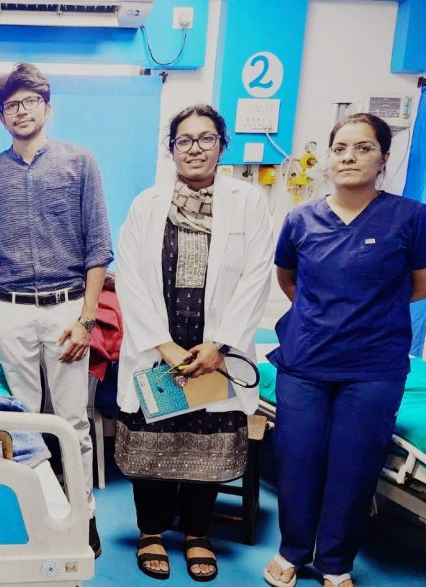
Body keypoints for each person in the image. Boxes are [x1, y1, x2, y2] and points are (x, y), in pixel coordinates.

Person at [263, 113, 426, 587]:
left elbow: (423, 285)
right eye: (340, 148)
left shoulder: (412, 217)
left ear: (383, 159)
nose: (349, 157)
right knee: (297, 461)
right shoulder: (300, 219)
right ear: (328, 157)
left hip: (373, 367)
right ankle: (291, 550)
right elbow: (288, 280)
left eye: (363, 148)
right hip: (306, 362)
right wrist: (326, 315)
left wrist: (367, 310)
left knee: (355, 467)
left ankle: (336, 562)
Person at [114, 105, 272, 582]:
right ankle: (151, 531)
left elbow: (257, 277)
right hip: (159, 348)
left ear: (222, 145)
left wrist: (218, 346)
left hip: (215, 353)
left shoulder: (248, 202)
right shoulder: (146, 204)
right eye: (184, 140)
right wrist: (163, 345)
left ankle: (198, 534)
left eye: (206, 138)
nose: (195, 148)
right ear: (172, 149)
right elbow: (130, 280)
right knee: (153, 445)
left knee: (205, 444)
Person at [0, 62, 112, 556]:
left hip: (68, 310)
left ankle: (82, 517)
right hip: (11, 313)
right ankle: (33, 517)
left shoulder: (80, 162)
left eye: (29, 102)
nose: (21, 111)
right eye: (11, 105)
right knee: (22, 423)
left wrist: (87, 320)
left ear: (47, 107)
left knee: (72, 422)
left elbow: (98, 247)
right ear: (1, 116)